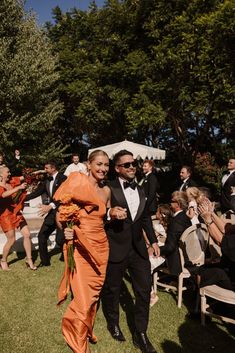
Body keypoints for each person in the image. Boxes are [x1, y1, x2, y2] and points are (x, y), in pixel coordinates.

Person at [54, 150, 126, 353]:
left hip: (101, 246)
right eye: (99, 164)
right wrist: (66, 230)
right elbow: (60, 216)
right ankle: (78, 344)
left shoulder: (106, 191)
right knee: (83, 297)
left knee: (93, 295)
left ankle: (84, 328)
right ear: (89, 164)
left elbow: (105, 214)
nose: (103, 169)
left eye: (106, 165)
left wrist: (113, 212)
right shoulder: (77, 181)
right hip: (80, 246)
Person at [102, 150, 159, 353]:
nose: (132, 167)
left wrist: (152, 241)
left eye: (134, 163)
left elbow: (144, 219)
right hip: (116, 248)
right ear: (117, 168)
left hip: (139, 250)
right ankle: (113, 323)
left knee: (143, 291)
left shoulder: (141, 189)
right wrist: (110, 213)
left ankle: (141, 333)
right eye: (127, 164)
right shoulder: (108, 187)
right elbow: (97, 213)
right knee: (113, 290)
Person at [25, 161, 67, 266]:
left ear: (53, 168)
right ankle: (45, 262)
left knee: (60, 239)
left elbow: (65, 196)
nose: (45, 170)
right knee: (42, 235)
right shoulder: (47, 180)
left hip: (63, 213)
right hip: (52, 214)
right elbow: (37, 192)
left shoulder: (64, 178)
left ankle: (65, 255)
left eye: (47, 168)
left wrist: (50, 206)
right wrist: (22, 198)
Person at [0, 166, 36, 270]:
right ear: (1, 174)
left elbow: (24, 176)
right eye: (8, 172)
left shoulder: (12, 181)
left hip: (16, 213)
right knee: (11, 240)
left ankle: (29, 259)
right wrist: (18, 188)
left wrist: (38, 171)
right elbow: (3, 194)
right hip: (5, 216)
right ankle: (3, 260)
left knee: (27, 234)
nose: (10, 173)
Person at [159, 191, 191, 276]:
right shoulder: (186, 218)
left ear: (178, 204)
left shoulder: (175, 221)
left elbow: (170, 247)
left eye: (172, 201)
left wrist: (156, 250)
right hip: (188, 256)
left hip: (176, 260)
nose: (170, 203)